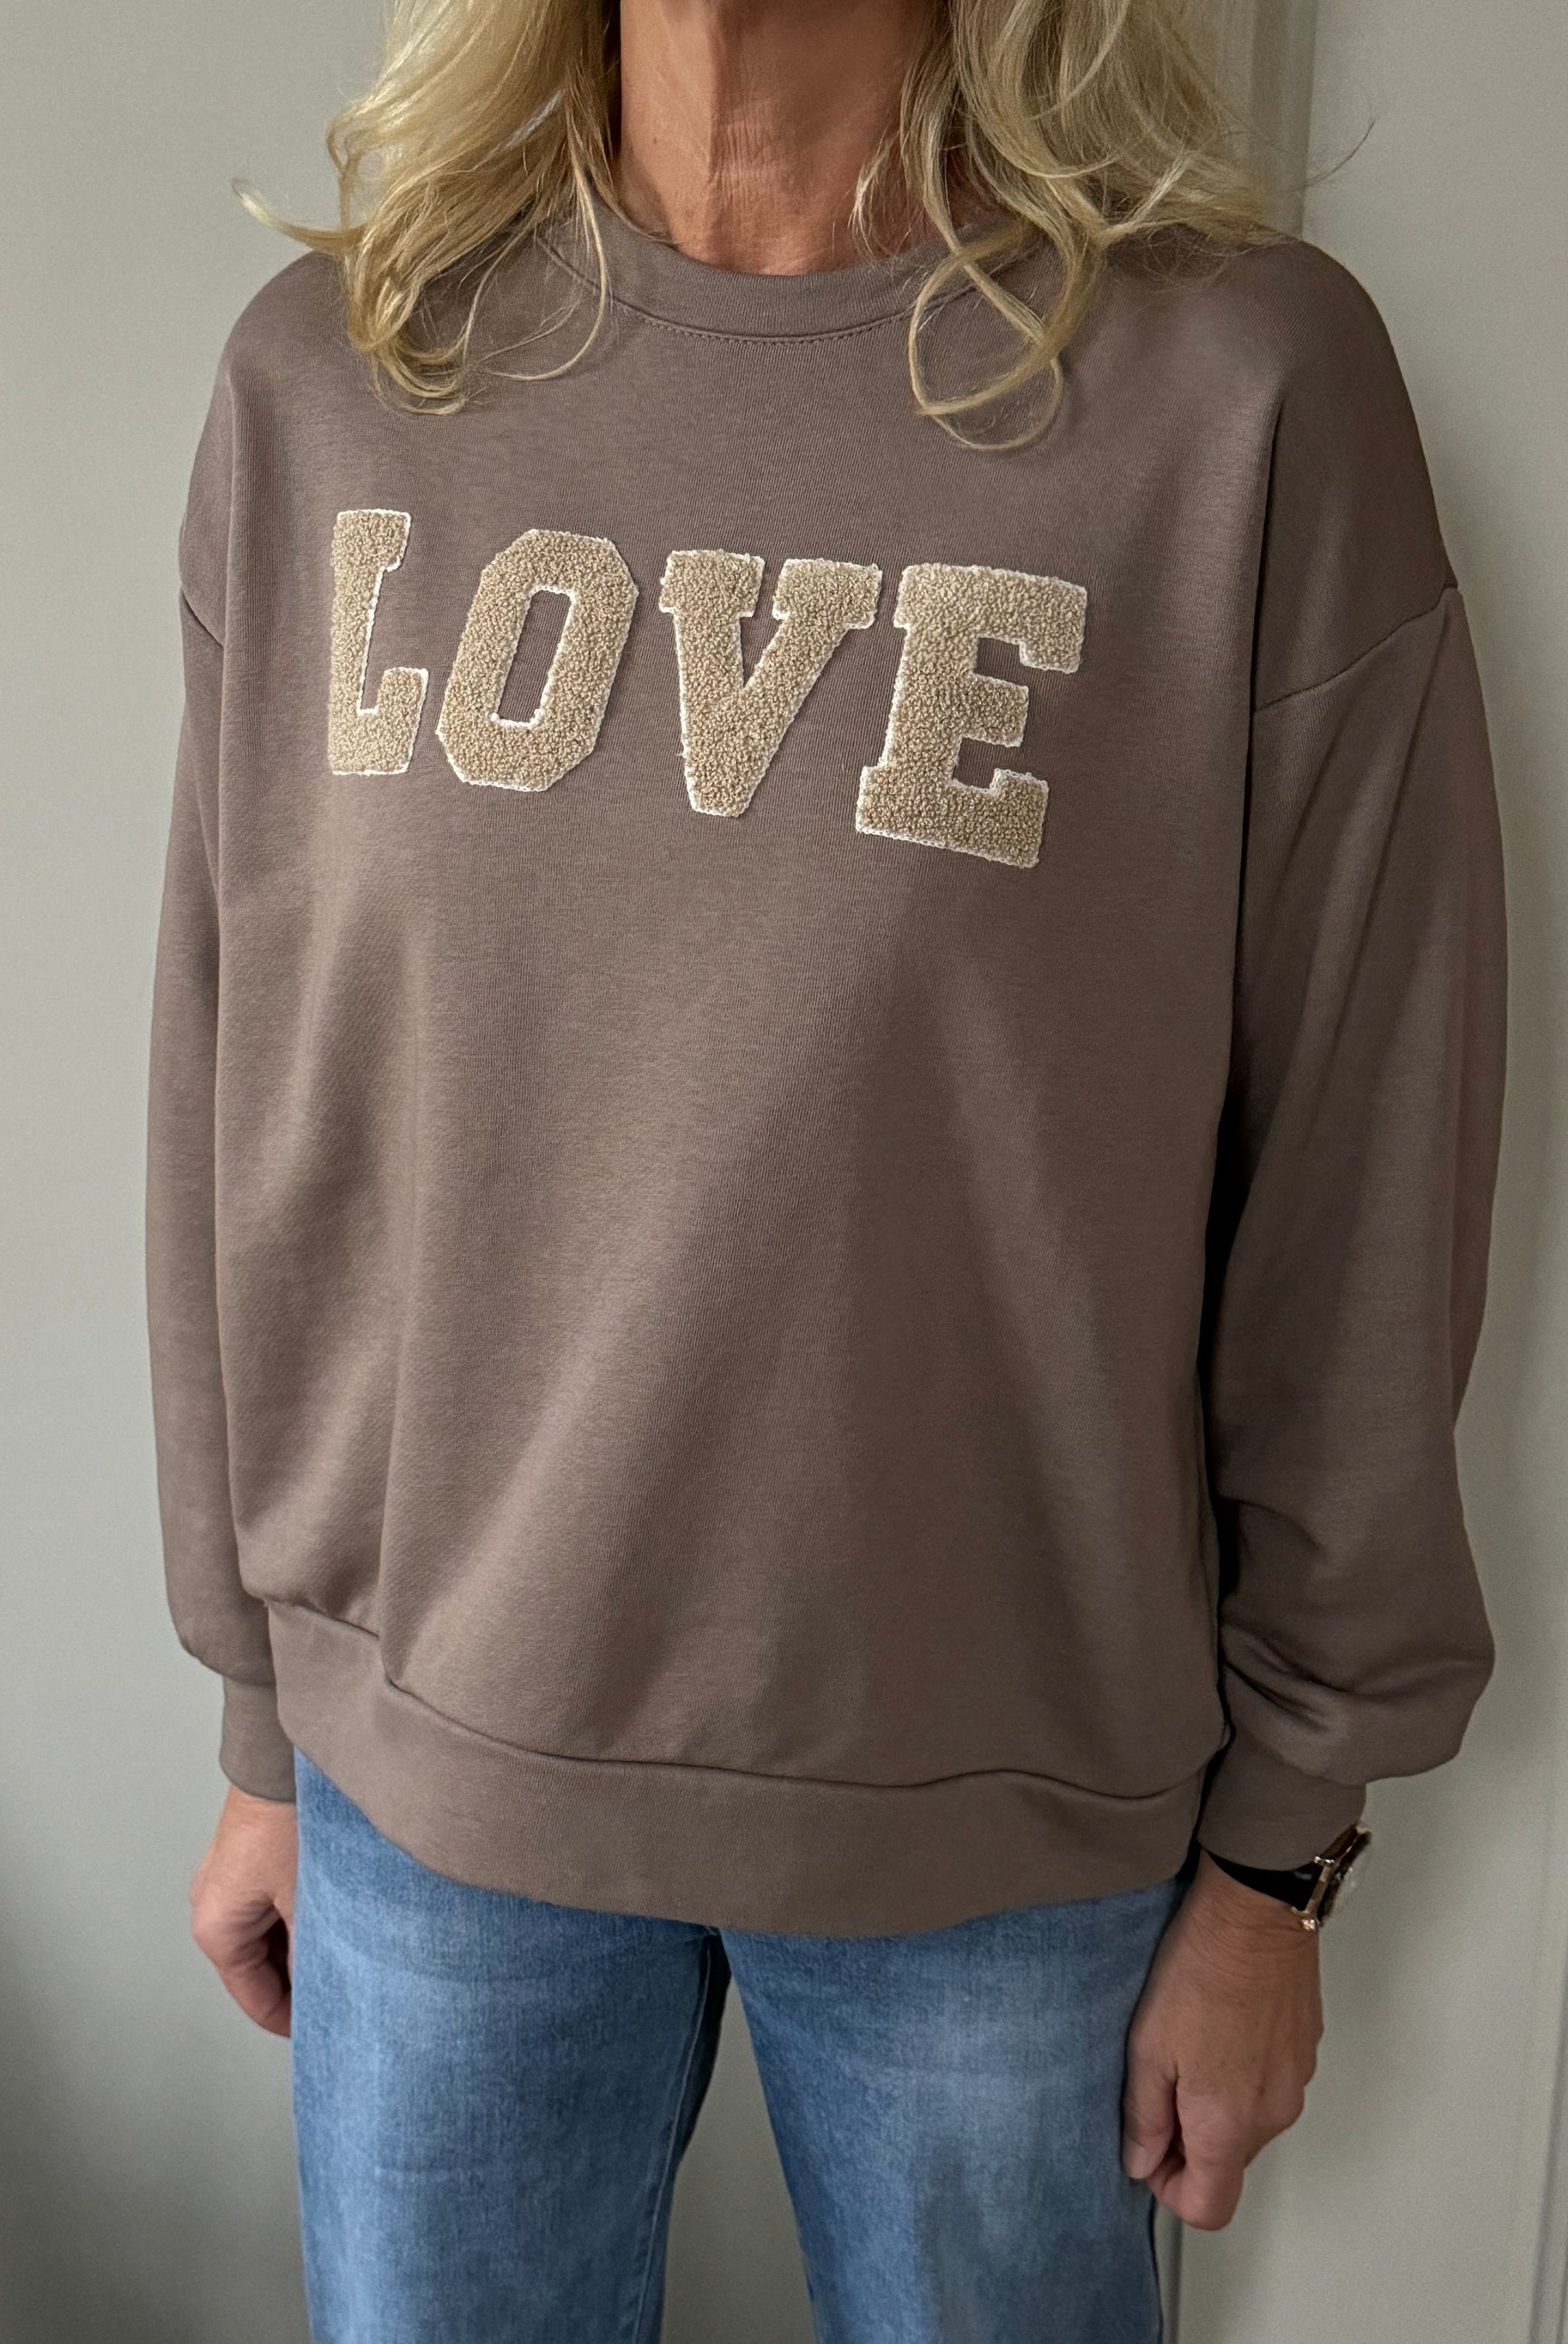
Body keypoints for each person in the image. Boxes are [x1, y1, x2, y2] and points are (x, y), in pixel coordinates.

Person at [146, 0, 1505, 2335]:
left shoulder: (1242, 391)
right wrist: (265, 1721)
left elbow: (1364, 1161)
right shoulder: (337, 383)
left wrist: (1283, 1849)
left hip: (1009, 1817)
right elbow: (246, 1103)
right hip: (428, 1794)